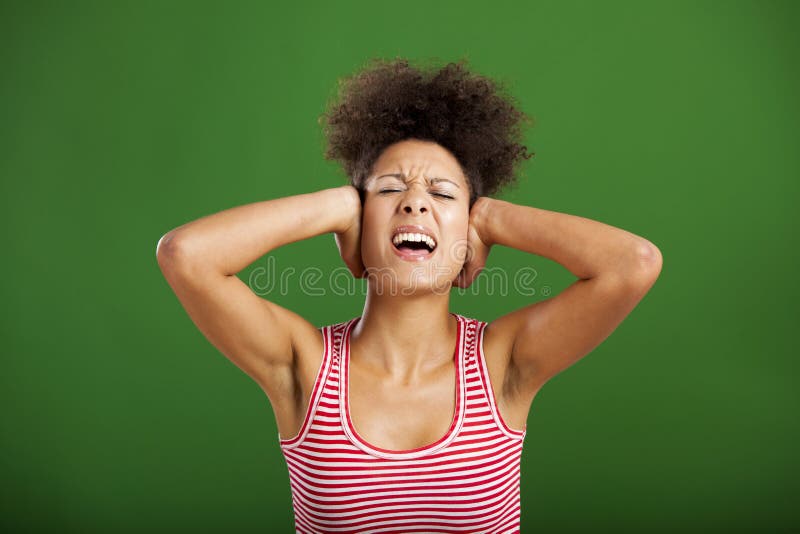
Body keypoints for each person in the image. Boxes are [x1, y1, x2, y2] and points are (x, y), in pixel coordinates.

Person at [156, 58, 662, 534]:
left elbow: (633, 264)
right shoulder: (304, 364)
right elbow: (186, 255)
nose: (415, 203)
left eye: (442, 195)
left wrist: (488, 218)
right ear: (357, 222)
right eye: (389, 191)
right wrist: (336, 206)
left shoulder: (503, 363)